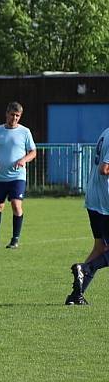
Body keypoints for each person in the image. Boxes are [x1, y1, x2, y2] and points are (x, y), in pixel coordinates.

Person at [0, 101, 37, 249]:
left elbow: (33, 152)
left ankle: (15, 239)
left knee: (16, 205)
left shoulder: (25, 132)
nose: (15, 118)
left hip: (17, 176)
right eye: (12, 114)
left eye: (17, 115)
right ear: (6, 114)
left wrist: (24, 160)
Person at [66, 126, 109, 305]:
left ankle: (77, 295)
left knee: (99, 248)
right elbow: (104, 169)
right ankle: (85, 268)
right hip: (106, 200)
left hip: (94, 197)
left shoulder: (106, 131)